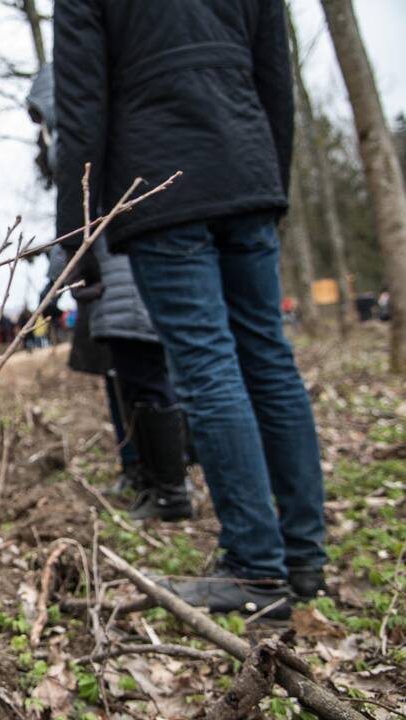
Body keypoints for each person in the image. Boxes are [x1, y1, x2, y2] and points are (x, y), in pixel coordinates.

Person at [54, 0, 326, 617]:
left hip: (162, 184)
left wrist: (77, 233)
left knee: (206, 367)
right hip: (246, 167)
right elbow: (274, 80)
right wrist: (266, 179)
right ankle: (303, 555)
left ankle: (257, 568)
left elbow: (80, 110)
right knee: (268, 357)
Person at [32, 66, 193, 521]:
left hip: (119, 274)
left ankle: (169, 491)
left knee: (146, 382)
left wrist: (62, 274)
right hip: (123, 272)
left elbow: (78, 224)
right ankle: (149, 477)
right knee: (135, 382)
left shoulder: (79, 139)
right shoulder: (115, 128)